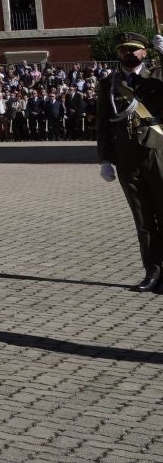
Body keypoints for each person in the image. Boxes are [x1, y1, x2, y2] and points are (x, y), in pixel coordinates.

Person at [96, 32, 163, 293]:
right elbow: (103, 124)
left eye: (135, 50)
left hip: (157, 154)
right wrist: (104, 159)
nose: (129, 54)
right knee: (143, 219)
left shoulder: (157, 77)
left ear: (145, 52)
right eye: (124, 50)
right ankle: (153, 272)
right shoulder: (107, 85)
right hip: (126, 159)